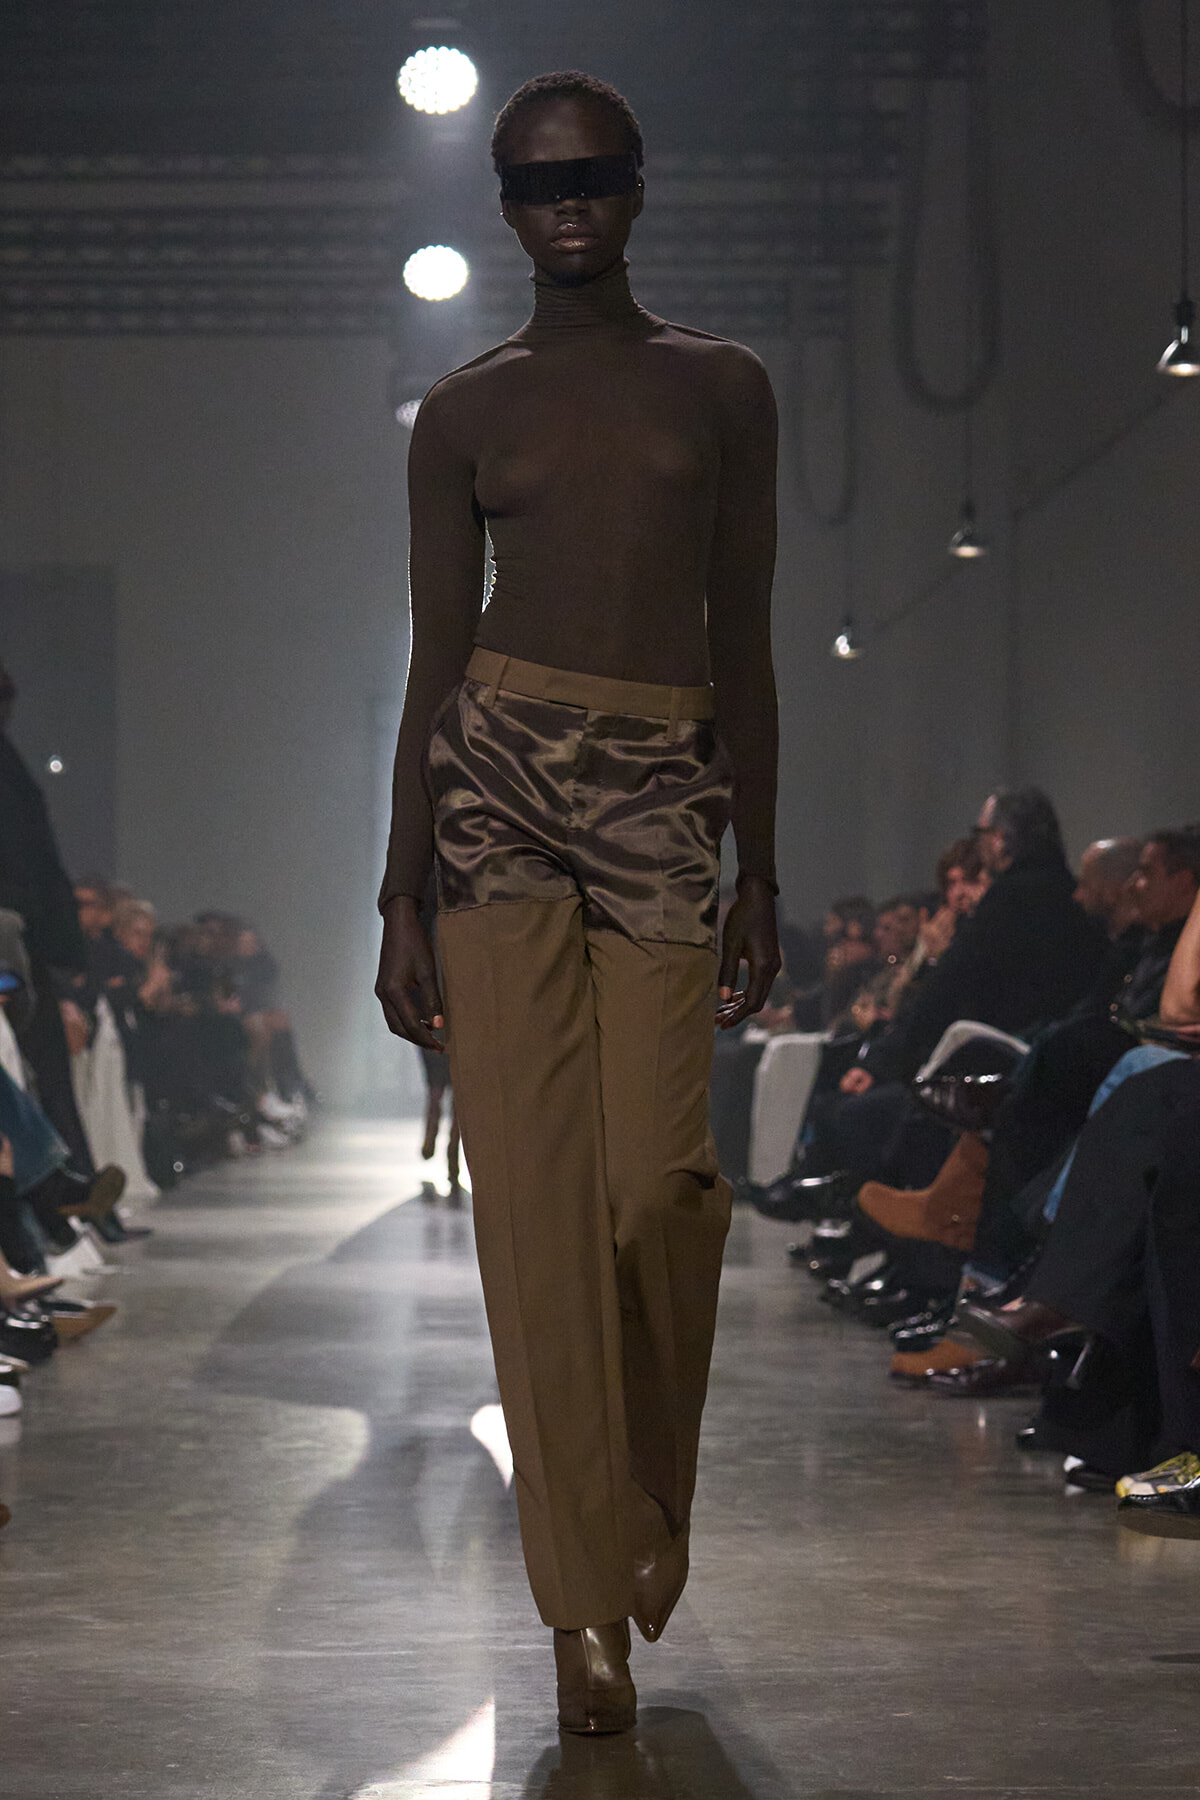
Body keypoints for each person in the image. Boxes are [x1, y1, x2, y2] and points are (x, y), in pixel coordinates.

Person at [374, 70, 779, 1735]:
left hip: (670, 790)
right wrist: (399, 888)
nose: (568, 204)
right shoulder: (465, 415)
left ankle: (642, 1522)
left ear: (637, 184)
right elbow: (433, 658)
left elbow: (744, 633)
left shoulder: (724, 389)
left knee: (656, 1190)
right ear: (502, 202)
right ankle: (578, 1617)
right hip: (499, 794)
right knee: (538, 1218)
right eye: (537, 183)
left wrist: (771, 855)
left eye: (595, 174)